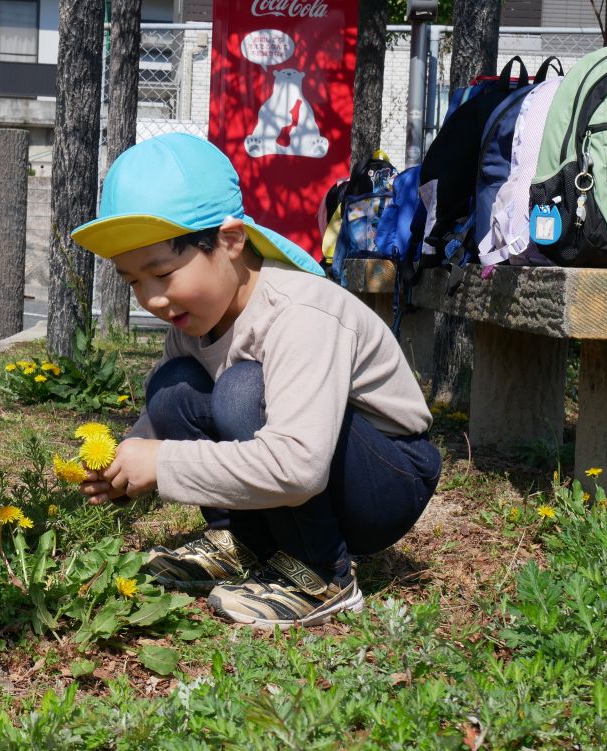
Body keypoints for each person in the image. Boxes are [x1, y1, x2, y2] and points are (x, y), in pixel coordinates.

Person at [71, 133, 441, 628]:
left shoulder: (299, 312)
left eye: (163, 273)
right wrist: (127, 457)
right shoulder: (195, 319)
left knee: (243, 391)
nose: (152, 299)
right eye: (134, 281)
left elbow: (299, 466)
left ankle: (321, 574)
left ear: (230, 241)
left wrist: (162, 463)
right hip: (314, 467)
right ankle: (240, 539)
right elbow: (163, 419)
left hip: (383, 480)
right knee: (173, 386)